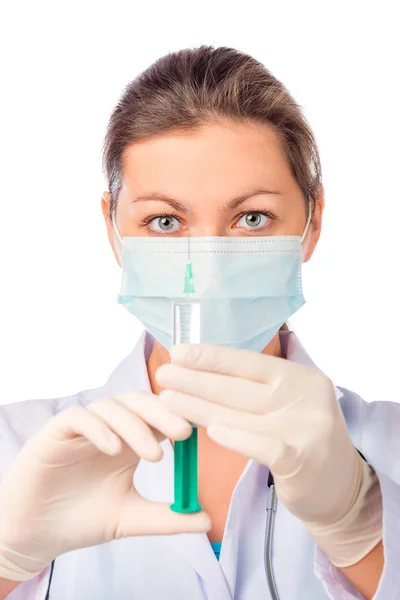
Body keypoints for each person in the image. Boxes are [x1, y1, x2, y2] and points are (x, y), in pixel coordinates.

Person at [0, 46, 398, 600]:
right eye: (165, 221)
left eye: (251, 218)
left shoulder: (392, 444)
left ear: (312, 223)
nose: (206, 268)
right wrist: (7, 558)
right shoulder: (16, 449)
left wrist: (361, 532)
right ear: (114, 232)